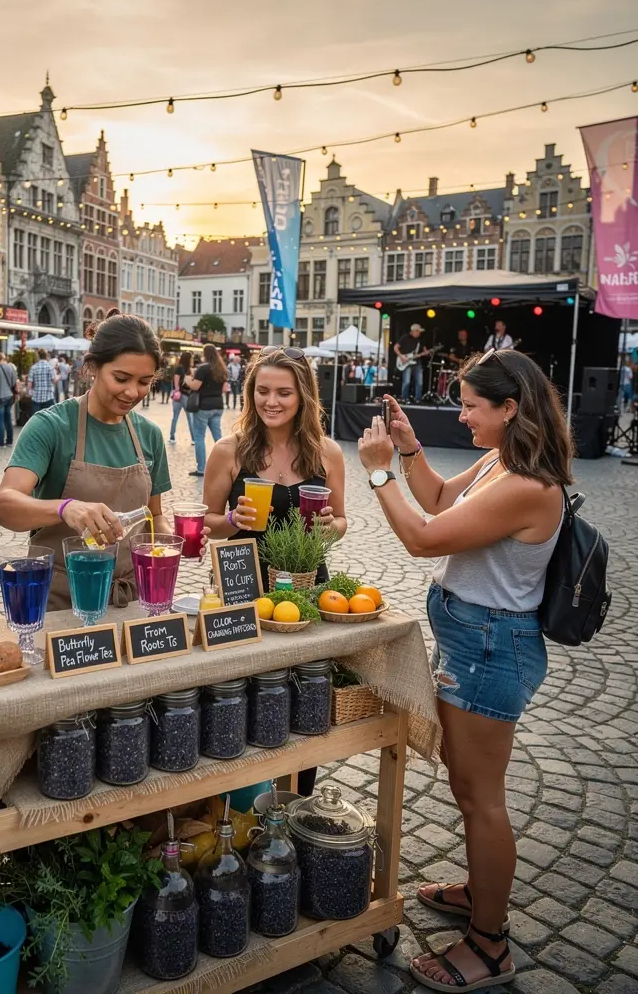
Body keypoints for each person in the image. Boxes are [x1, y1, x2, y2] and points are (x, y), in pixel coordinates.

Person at [357, 351, 571, 993]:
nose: (462, 413)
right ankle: (482, 891)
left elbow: (424, 536)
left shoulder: (529, 484)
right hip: (472, 640)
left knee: (481, 799)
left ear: (510, 409)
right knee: (465, 781)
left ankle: (489, 944)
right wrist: (410, 450)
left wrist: (377, 475)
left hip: (490, 648)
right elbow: (443, 499)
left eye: (473, 405)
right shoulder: (502, 460)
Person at [203, 344, 348, 799]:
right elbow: (206, 521)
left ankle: (297, 800)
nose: (272, 401)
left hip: (307, 587)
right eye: (262, 391)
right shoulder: (230, 450)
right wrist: (231, 521)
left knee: (305, 700)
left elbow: (340, 521)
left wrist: (331, 526)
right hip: (243, 587)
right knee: (240, 699)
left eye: (284, 392)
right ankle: (239, 807)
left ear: (303, 396)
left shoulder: (327, 453)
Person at [0, 314, 176, 609]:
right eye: (121, 378)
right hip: (61, 600)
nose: (132, 392)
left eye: (144, 382)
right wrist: (65, 509)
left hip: (129, 598)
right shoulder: (50, 426)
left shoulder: (149, 435)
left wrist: (175, 541)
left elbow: (154, 516)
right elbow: (3, 506)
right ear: (92, 368)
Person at [188, 343, 227, 476]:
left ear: (205, 353)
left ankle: (201, 468)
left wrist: (187, 380)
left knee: (199, 437)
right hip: (218, 405)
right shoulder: (221, 368)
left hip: (204, 406)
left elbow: (195, 386)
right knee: (218, 437)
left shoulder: (203, 368)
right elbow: (225, 389)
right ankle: (226, 464)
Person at [0, 349, 18, 448]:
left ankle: (1, 443)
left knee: (0, 420)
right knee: (8, 419)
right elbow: (14, 383)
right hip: (9, 396)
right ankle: (10, 441)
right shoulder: (11, 367)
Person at [394, 323, 431, 402]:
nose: (419, 333)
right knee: (406, 381)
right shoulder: (404, 337)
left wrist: (427, 352)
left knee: (419, 381)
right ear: (414, 331)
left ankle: (418, 399)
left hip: (417, 362)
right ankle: (404, 398)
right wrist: (401, 356)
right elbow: (395, 347)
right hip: (405, 362)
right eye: (418, 331)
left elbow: (425, 351)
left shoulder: (420, 341)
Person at [169, 351, 193, 445]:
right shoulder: (186, 369)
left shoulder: (181, 368)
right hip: (184, 395)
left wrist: (176, 390)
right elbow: (177, 380)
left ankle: (172, 437)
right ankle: (194, 438)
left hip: (180, 395)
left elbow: (176, 381)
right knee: (189, 417)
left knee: (175, 417)